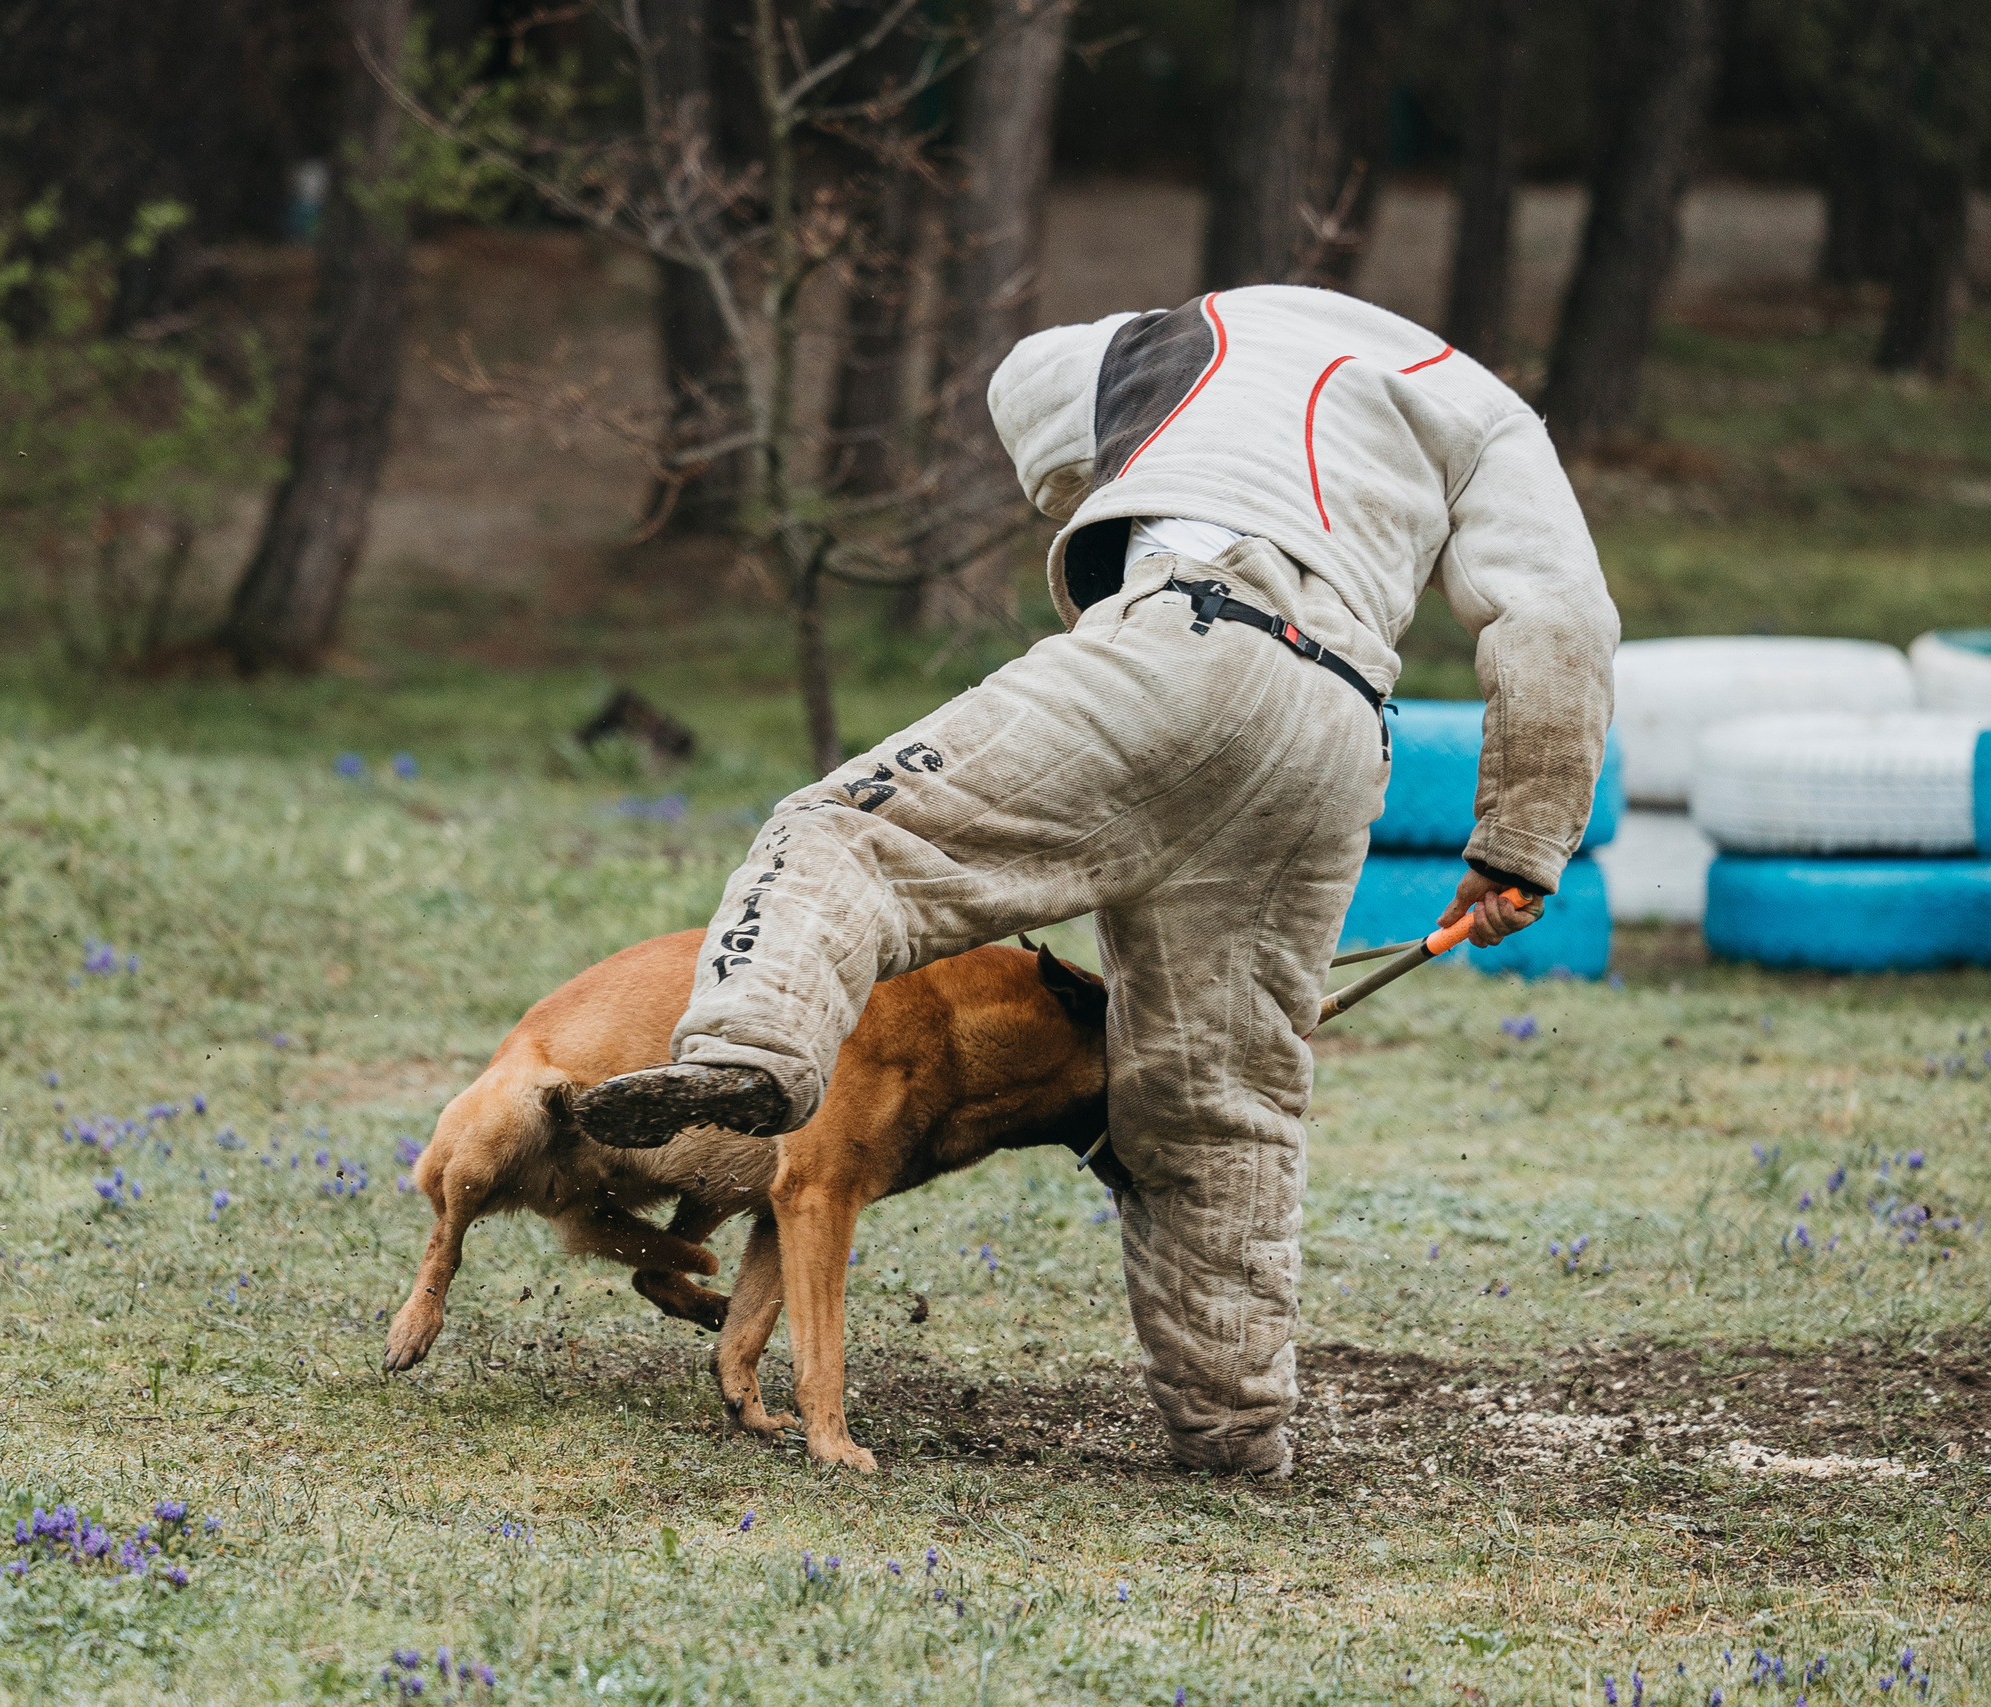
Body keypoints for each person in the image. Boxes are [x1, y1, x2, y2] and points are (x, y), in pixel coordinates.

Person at [574, 285, 1619, 1477]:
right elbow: (1558, 616)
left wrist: (1101, 500)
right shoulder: (1486, 411)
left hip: (1179, 639)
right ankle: (1232, 1432)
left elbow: (1028, 377)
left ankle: (756, 1049)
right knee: (1217, 1101)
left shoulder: (1167, 339)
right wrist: (1522, 840)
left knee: (843, 837)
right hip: (1336, 727)